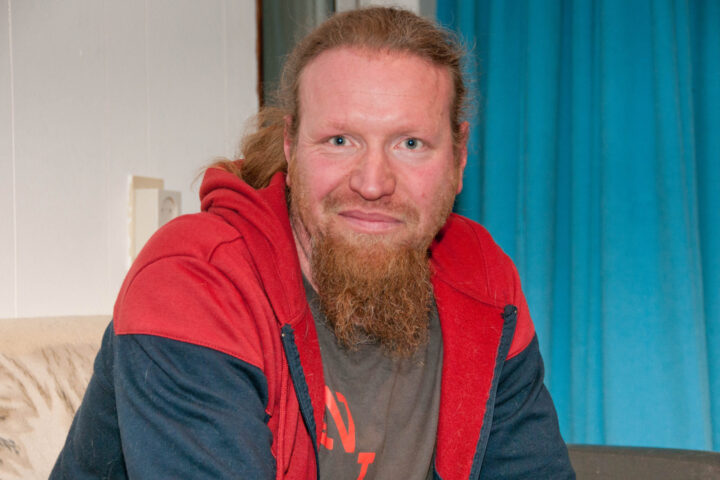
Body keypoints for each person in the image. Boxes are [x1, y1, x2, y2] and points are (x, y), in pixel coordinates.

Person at [51, 7, 574, 480]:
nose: (373, 183)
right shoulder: (196, 279)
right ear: (291, 146)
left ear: (459, 160)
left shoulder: (482, 279)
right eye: (340, 141)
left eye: (410, 143)